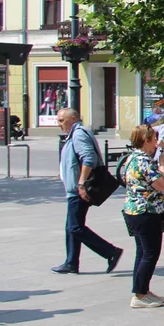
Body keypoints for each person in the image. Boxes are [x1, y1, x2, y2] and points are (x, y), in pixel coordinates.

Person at [52, 109, 123, 275]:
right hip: (75, 189)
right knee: (72, 226)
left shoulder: (79, 134)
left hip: (79, 190)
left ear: (74, 118)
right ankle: (71, 262)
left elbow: (88, 158)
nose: (59, 124)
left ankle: (110, 252)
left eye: (62, 120)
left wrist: (81, 183)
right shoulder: (75, 133)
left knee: (75, 227)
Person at [122, 124, 164, 308]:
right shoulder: (144, 161)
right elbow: (162, 184)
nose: (156, 143)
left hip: (135, 210)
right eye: (154, 139)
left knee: (142, 252)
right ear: (146, 141)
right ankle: (140, 294)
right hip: (145, 212)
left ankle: (141, 289)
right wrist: (163, 163)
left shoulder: (132, 158)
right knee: (151, 253)